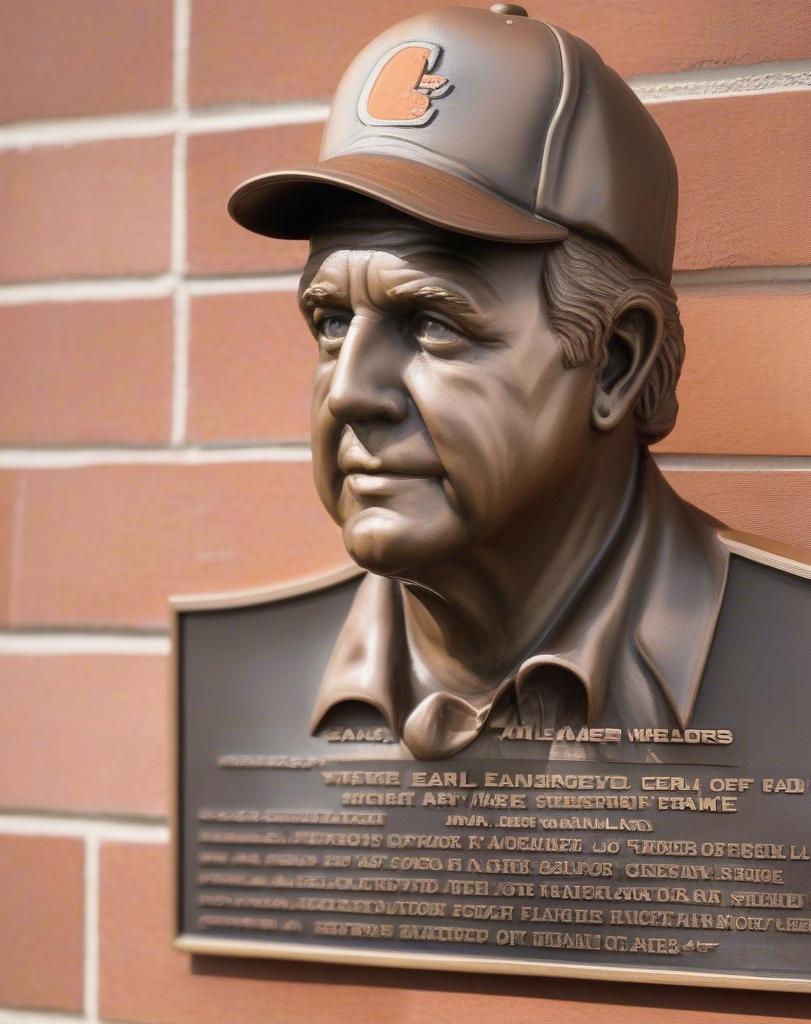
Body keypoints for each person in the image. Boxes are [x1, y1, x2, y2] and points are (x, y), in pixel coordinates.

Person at [228, 4, 731, 759]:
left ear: (616, 363)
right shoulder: (241, 683)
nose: (349, 393)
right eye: (331, 322)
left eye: (432, 321)